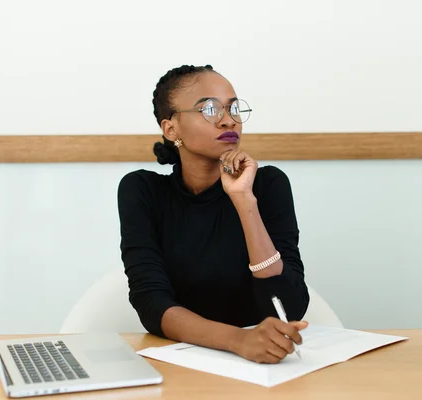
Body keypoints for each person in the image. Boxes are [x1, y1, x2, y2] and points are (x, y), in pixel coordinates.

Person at [117, 64, 310, 364]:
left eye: (233, 109)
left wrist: (244, 200)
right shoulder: (142, 191)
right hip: (181, 362)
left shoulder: (268, 185)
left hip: (267, 364)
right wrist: (238, 340)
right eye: (209, 110)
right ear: (171, 129)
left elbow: (288, 307)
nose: (228, 121)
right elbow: (151, 303)